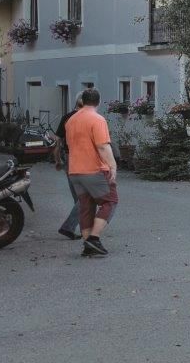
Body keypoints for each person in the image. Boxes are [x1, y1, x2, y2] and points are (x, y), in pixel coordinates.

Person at [65, 88, 118, 257]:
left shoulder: (71, 120)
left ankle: (87, 245)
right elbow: (102, 145)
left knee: (86, 207)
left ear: (82, 101)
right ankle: (94, 239)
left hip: (74, 170)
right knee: (110, 201)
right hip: (94, 170)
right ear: (98, 101)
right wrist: (112, 165)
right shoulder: (97, 119)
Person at [53, 95, 84, 240]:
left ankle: (84, 228)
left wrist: (58, 159)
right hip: (84, 159)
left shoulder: (66, 117)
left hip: (68, 157)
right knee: (87, 196)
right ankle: (69, 226)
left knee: (77, 196)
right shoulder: (88, 118)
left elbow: (58, 141)